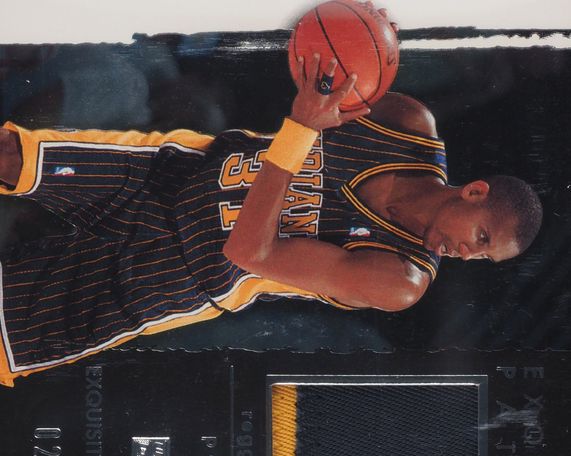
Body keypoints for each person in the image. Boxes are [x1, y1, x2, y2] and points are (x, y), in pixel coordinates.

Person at [0, 10, 542, 387]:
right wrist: (366, 34)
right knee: (11, 156)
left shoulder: (401, 279)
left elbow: (249, 252)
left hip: (180, 271)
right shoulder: (406, 123)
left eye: (483, 257)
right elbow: (333, 75)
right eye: (482, 237)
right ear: (474, 192)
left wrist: (300, 132)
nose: (468, 254)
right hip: (174, 174)